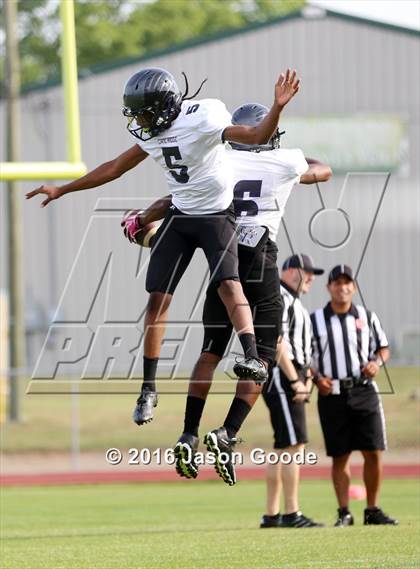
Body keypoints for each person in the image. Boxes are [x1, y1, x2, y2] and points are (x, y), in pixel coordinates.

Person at [26, 67, 301, 426]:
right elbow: (114, 168)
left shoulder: (204, 116)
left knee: (229, 285)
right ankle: (148, 388)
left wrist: (276, 107)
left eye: (143, 112)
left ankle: (251, 355)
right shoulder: (153, 135)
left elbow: (255, 134)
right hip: (182, 217)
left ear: (165, 106)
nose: (139, 120)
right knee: (158, 298)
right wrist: (63, 189)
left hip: (217, 216)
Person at [165, 103, 332, 485]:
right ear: (264, 133)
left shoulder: (218, 159)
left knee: (209, 352)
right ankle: (227, 432)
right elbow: (323, 170)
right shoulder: (285, 160)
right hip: (260, 257)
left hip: (224, 260)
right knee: (264, 358)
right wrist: (291, 154)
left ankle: (189, 431)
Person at [311, 264, 398, 526]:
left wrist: (377, 364)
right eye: (337, 283)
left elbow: (383, 348)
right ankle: (344, 512)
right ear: (329, 288)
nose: (342, 287)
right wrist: (316, 378)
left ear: (354, 287)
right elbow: (305, 356)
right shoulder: (315, 320)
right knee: (340, 455)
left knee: (373, 451)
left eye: (347, 282)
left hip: (363, 390)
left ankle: (372, 509)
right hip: (332, 393)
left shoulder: (367, 317)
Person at [260, 254, 325, 529]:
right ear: (288, 271)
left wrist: (306, 378)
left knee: (283, 445)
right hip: (281, 373)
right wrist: (294, 380)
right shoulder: (280, 298)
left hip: (294, 374)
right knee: (294, 444)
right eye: (305, 271)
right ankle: (291, 513)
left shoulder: (297, 304)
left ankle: (272, 514)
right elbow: (276, 342)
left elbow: (306, 349)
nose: (310, 277)